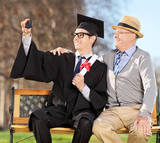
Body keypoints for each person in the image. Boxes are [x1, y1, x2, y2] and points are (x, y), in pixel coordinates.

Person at [51, 15, 157, 143]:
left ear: (132, 36)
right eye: (115, 32)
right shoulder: (107, 56)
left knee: (140, 133)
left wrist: (144, 114)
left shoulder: (143, 57)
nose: (115, 35)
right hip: (111, 112)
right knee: (98, 127)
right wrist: (68, 53)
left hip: (135, 110)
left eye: (120, 33)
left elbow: (150, 87)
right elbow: (87, 60)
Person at [10, 14, 107, 143]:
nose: (76, 38)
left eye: (81, 35)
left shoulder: (100, 67)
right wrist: (27, 36)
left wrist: (83, 88)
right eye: (75, 35)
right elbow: (39, 60)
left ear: (92, 38)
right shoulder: (63, 58)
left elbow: (100, 99)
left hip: (82, 112)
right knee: (38, 117)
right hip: (60, 110)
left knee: (86, 123)